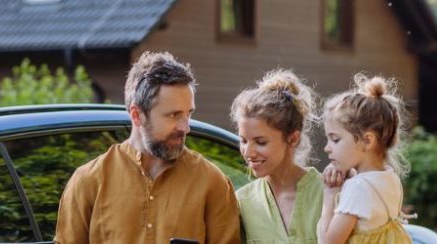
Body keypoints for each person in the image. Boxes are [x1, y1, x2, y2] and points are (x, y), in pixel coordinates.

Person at [54, 51, 240, 244]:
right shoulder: (88, 182)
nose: (186, 127)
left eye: (188, 114)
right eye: (174, 115)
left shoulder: (212, 183)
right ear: (137, 115)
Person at [317, 73, 413, 243]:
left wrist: (330, 193)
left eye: (335, 139)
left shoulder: (358, 188)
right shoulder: (389, 177)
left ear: (367, 140)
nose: (326, 148)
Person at [231, 69, 324, 243]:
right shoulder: (242, 202)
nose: (248, 152)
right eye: (243, 140)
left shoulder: (329, 193)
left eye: (260, 142)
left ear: (293, 138)